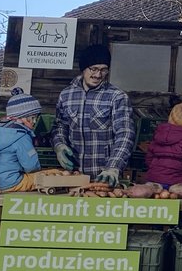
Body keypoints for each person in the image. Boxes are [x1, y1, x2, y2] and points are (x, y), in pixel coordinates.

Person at [52, 43, 134, 185]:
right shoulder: (66, 95)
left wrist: (113, 167)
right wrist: (59, 145)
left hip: (104, 177)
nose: (98, 75)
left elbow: (125, 134)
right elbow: (60, 126)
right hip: (73, 176)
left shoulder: (117, 96)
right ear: (83, 68)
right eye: (93, 69)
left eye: (103, 70)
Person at [0, 93, 44, 193]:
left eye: (36, 118)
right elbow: (31, 167)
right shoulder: (21, 136)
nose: (34, 121)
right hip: (11, 182)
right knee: (47, 177)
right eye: (31, 118)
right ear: (19, 118)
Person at [143, 102, 182, 189]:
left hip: (154, 181)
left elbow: (149, 158)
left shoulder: (158, 135)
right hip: (178, 183)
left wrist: (155, 171)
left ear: (170, 116)